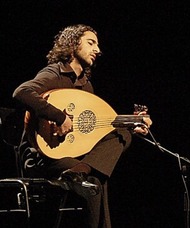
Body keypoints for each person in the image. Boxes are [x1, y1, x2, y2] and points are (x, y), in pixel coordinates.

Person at [13, 24, 152, 228]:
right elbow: (21, 92)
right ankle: (79, 172)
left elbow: (90, 132)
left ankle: (77, 172)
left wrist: (133, 124)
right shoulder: (54, 73)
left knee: (122, 133)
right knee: (95, 181)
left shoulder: (86, 86)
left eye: (97, 45)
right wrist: (59, 117)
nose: (97, 49)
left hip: (71, 156)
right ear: (72, 44)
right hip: (41, 156)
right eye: (91, 43)